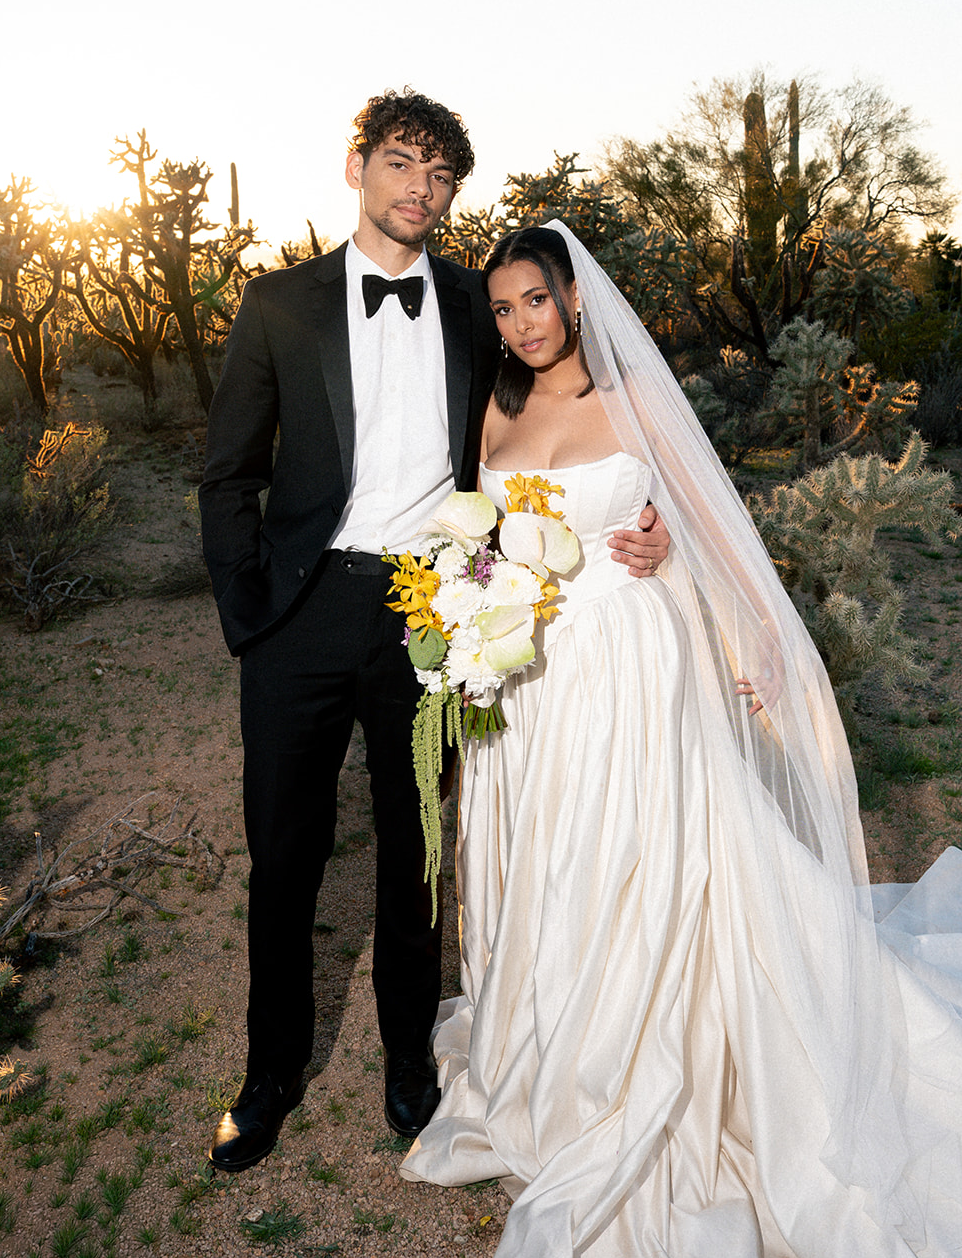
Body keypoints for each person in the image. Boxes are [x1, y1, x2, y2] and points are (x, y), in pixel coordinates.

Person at [402, 222, 962, 1258]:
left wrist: (748, 632)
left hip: (627, 666)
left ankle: (641, 1055)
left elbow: (698, 522)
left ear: (573, 300)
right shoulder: (495, 408)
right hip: (526, 679)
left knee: (639, 855)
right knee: (549, 860)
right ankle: (548, 1039)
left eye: (535, 301)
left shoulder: (633, 400)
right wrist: (466, 606)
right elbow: (484, 531)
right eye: (502, 308)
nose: (520, 323)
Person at [198, 94, 668, 1172]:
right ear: (356, 167)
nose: (420, 187)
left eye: (441, 174)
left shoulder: (476, 304)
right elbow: (228, 472)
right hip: (297, 617)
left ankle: (409, 1062)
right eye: (401, 163)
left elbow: (561, 421)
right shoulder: (277, 304)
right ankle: (269, 1073)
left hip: (432, 615)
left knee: (416, 852)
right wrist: (249, 612)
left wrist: (637, 513)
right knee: (286, 851)